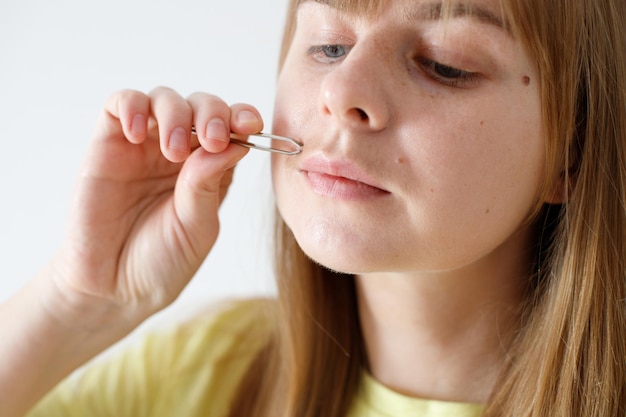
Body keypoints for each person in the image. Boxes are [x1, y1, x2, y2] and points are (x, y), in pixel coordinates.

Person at [2, 0, 625, 415]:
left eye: (444, 64)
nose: (342, 89)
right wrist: (76, 303)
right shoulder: (202, 377)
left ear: (569, 151)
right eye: (328, 46)